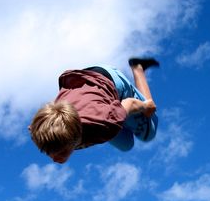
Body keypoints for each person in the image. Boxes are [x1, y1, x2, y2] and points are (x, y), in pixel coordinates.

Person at [29, 58, 160, 164]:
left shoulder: (104, 121)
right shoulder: (42, 130)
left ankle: (138, 67)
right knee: (126, 145)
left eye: (61, 152)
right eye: (48, 152)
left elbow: (130, 103)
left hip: (110, 80)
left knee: (149, 134)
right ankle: (118, 115)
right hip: (85, 85)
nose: (55, 159)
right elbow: (36, 128)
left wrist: (146, 106)